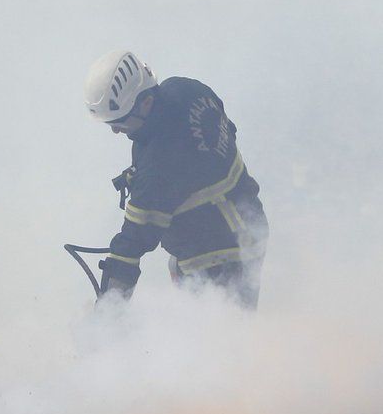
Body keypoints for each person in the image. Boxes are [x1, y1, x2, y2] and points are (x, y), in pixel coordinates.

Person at [85, 50, 267, 309]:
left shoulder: (158, 165)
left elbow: (133, 243)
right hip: (249, 223)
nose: (116, 130)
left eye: (121, 121)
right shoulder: (188, 89)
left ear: (144, 102)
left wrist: (108, 312)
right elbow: (227, 131)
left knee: (222, 340)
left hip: (218, 256)